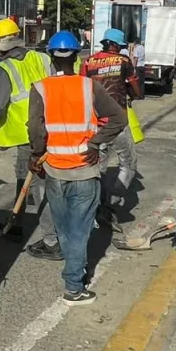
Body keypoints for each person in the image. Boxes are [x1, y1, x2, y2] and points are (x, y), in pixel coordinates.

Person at [27, 31, 127, 305]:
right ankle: (74, 286)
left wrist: (35, 157)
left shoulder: (40, 88)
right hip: (84, 171)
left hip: (55, 173)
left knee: (65, 230)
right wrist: (95, 143)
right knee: (80, 232)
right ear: (76, 56)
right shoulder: (89, 87)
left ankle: (72, 276)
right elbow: (119, 119)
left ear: (51, 56)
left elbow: (36, 131)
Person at [0, 19, 58, 259]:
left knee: (31, 182)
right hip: (52, 127)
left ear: (0, 45)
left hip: (26, 134)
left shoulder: (5, 68)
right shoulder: (41, 58)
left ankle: (47, 237)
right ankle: (23, 224)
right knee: (48, 180)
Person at [80, 28, 139, 226]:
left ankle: (96, 205)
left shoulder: (88, 62)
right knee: (129, 163)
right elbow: (136, 88)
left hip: (96, 123)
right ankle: (111, 203)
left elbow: (82, 88)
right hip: (117, 122)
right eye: (119, 46)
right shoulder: (124, 62)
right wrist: (134, 93)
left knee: (99, 167)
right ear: (114, 45)